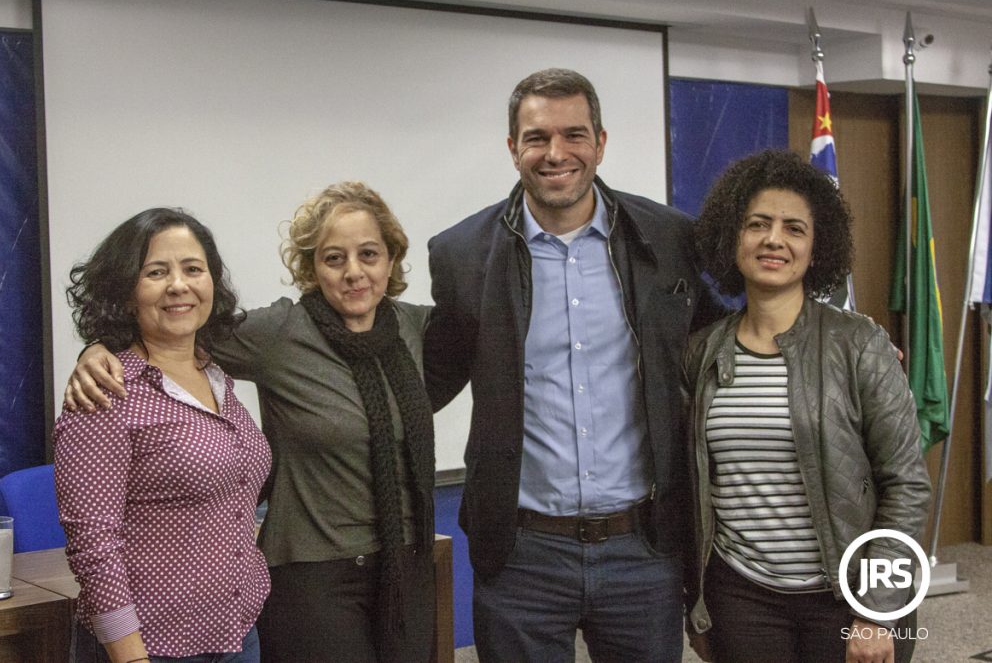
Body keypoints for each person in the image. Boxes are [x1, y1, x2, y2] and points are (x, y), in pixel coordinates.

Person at [424, 67, 727, 661]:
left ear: (601, 143)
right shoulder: (462, 254)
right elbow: (427, 381)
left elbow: (732, 338)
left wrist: (831, 346)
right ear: (513, 148)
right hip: (522, 555)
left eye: (574, 135)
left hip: (643, 547)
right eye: (536, 137)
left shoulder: (668, 240)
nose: (555, 153)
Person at [63, 182, 435, 662]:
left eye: (369, 253)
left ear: (392, 258)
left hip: (245, 624)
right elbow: (94, 542)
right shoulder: (115, 391)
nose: (354, 272)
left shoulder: (215, 379)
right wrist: (97, 347)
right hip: (198, 623)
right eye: (333, 258)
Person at [685, 149, 931, 663]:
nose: (774, 239)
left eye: (794, 228)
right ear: (733, 239)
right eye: (757, 224)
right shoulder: (701, 351)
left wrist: (878, 610)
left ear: (817, 250)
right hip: (742, 595)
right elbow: (691, 490)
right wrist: (698, 603)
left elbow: (905, 483)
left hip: (848, 597)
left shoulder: (859, 344)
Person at [54, 208, 271, 663]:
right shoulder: (104, 393)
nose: (179, 285)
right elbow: (95, 548)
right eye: (156, 272)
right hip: (150, 648)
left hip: (235, 635)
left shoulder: (215, 375)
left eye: (193, 269)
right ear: (126, 292)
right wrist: (131, 657)